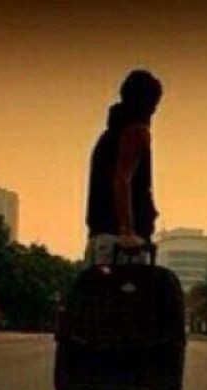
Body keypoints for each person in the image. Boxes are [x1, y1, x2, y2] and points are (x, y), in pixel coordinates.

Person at [84, 69, 162, 267]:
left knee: (99, 295)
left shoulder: (109, 135)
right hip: (123, 243)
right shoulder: (136, 132)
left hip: (102, 236)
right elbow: (122, 180)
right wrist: (127, 231)